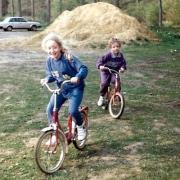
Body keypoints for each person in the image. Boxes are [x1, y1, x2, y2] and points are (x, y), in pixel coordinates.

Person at [40, 33, 88, 141]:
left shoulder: (68, 58)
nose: (52, 50)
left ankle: (80, 127)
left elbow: (83, 68)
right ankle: (55, 133)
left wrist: (78, 76)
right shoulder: (49, 61)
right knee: (50, 109)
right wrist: (47, 79)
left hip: (75, 88)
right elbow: (52, 75)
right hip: (62, 88)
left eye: (55, 47)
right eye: (49, 48)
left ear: (60, 47)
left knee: (72, 111)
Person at [96, 38, 127, 106]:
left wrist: (122, 68)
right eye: (114, 47)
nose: (116, 48)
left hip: (114, 71)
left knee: (117, 83)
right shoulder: (108, 55)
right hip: (106, 71)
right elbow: (100, 61)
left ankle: (116, 96)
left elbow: (123, 63)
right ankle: (102, 96)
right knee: (104, 83)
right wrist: (100, 66)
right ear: (110, 48)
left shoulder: (120, 56)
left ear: (120, 47)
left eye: (118, 46)